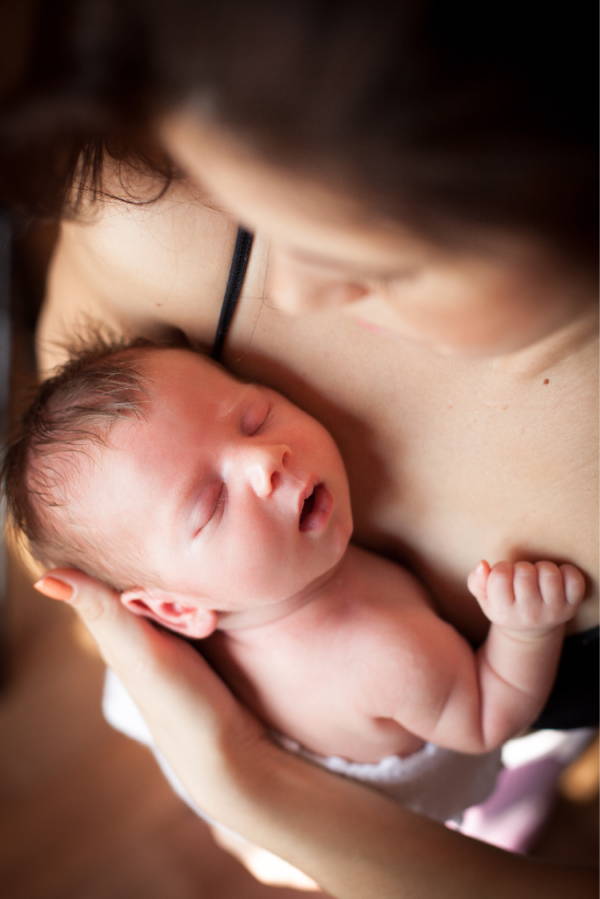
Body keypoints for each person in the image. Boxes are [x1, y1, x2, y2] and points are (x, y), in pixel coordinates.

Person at [3, 1, 597, 895]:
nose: (292, 290)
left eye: (375, 258)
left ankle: (504, 806)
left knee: (515, 776)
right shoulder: (167, 212)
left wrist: (266, 797)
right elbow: (79, 499)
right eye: (263, 216)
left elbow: (484, 718)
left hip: (444, 759)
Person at [5, 336, 586, 826]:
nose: (265, 460)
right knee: (496, 799)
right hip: (408, 789)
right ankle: (510, 810)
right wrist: (525, 629)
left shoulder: (236, 585)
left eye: (254, 418)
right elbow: (486, 720)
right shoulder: (384, 651)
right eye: (211, 505)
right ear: (177, 612)